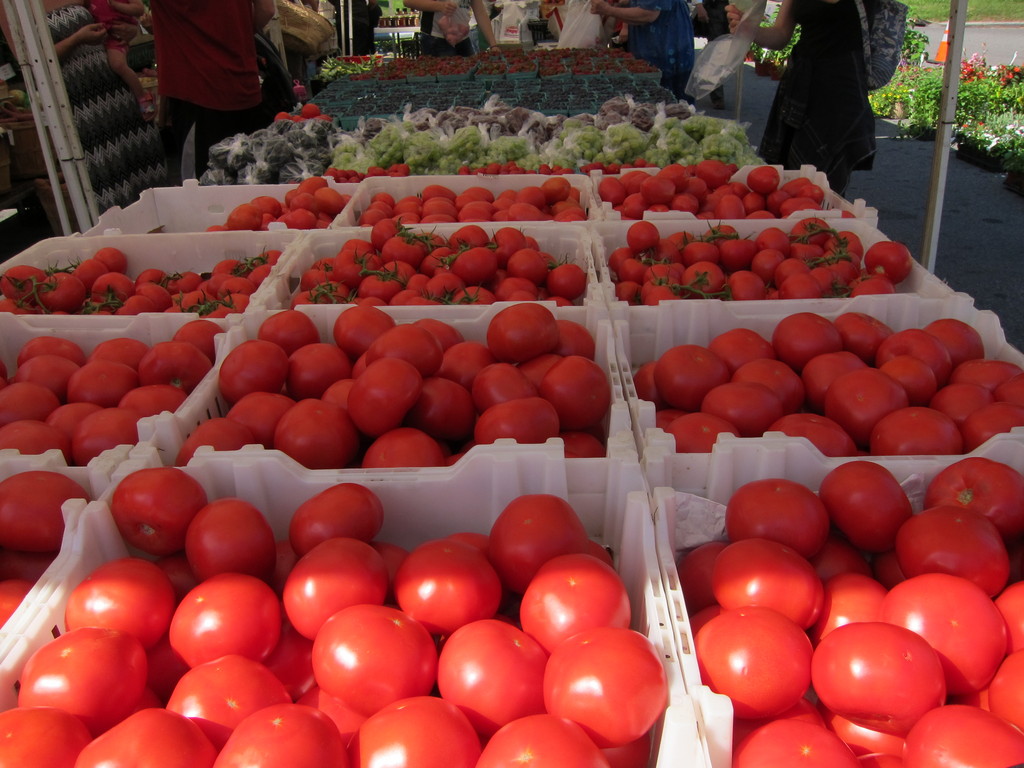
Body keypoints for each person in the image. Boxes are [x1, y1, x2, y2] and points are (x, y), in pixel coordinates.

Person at [726, 0, 875, 195]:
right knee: (793, 182)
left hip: (841, 89)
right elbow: (780, 35)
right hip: (802, 86)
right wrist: (750, 29)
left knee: (827, 180)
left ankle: (824, 220)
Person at [44, 1, 168, 226]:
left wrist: (129, 31)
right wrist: (77, 39)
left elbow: (111, 15)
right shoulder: (12, 7)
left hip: (116, 88)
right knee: (109, 189)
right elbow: (34, 62)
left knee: (144, 178)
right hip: (82, 105)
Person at [149, 0, 276, 178]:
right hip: (244, 84)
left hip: (199, 91)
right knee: (253, 183)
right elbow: (267, 9)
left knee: (205, 192)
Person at [589, 0, 694, 101]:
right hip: (654, 44)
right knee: (649, 103)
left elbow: (648, 14)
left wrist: (608, 10)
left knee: (671, 107)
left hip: (665, 48)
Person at [86, 0, 153, 119]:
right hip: (95, 36)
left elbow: (139, 9)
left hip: (114, 36)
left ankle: (143, 97)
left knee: (117, 65)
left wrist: (117, 5)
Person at [403, 0, 496, 56]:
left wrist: (493, 45)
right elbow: (409, 1)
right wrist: (440, 6)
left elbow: (480, 12)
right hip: (436, 40)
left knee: (468, 78)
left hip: (463, 40)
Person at [693, 0, 729, 108]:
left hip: (731, 5)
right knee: (716, 50)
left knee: (725, 50)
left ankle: (716, 93)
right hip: (714, 7)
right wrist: (699, 5)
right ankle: (717, 96)